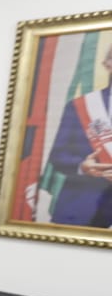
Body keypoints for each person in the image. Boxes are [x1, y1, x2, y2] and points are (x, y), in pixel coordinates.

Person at [45, 46, 112, 227]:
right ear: (107, 64)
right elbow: (58, 156)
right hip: (82, 209)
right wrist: (83, 166)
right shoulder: (80, 106)